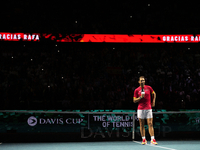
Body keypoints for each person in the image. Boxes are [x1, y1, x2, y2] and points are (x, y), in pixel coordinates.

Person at [133, 76, 158, 145]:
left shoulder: (149, 88)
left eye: (143, 80)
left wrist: (153, 102)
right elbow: (134, 100)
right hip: (140, 109)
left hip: (148, 108)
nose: (142, 81)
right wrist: (140, 97)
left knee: (150, 123)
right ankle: (144, 139)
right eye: (141, 80)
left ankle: (153, 139)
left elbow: (154, 94)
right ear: (139, 82)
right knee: (141, 124)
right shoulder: (136, 90)